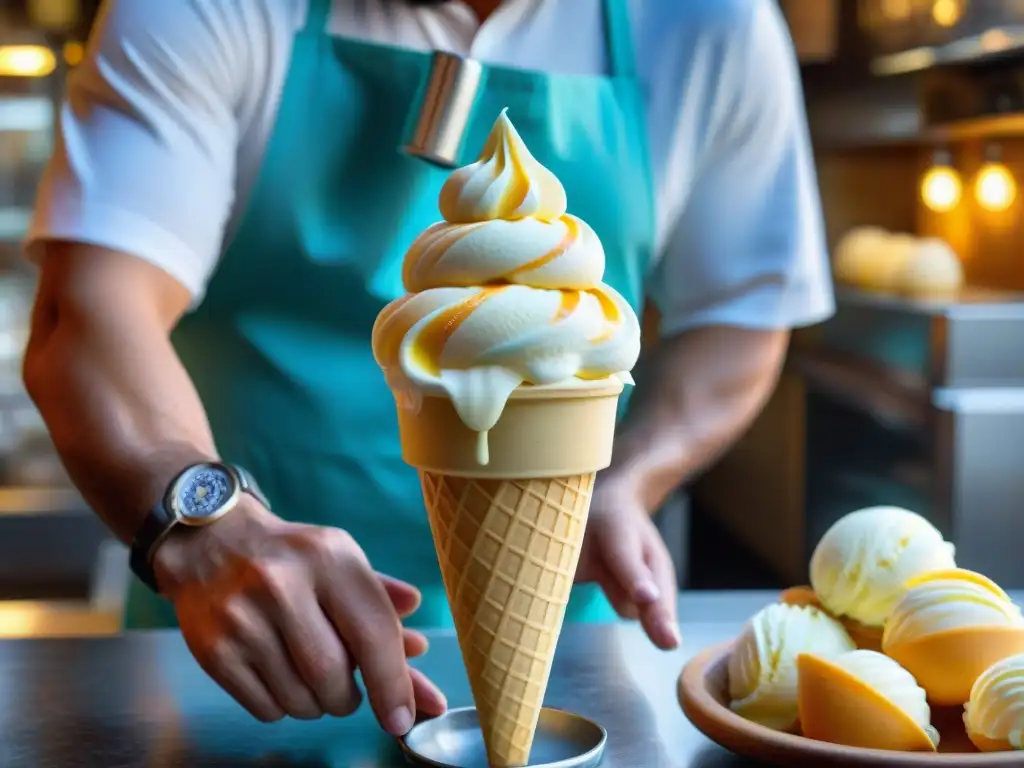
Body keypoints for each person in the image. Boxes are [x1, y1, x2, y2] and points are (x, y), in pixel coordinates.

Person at [23, 0, 832, 740]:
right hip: (243, 639)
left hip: (564, 654)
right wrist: (203, 520)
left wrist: (631, 480)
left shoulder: (708, 22)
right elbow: (90, 315)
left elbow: (740, 318)